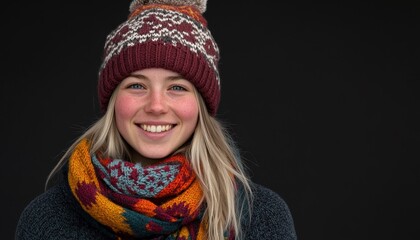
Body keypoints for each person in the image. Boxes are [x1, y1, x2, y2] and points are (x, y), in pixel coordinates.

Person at [15, 0, 297, 239]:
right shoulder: (47, 219)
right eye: (137, 85)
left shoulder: (261, 217)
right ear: (113, 100)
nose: (156, 106)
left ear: (201, 104)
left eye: (177, 87)